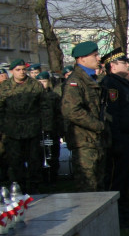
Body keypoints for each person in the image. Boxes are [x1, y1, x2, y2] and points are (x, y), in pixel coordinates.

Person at [100, 50, 129, 224]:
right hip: (120, 139)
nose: (127, 64)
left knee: (126, 176)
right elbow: (112, 115)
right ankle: (117, 216)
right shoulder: (111, 84)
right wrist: (116, 140)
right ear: (113, 66)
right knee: (116, 179)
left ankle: (126, 211)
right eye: (123, 62)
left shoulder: (122, 83)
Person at [61, 41, 110, 191]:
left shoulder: (90, 79)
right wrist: (98, 125)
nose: (99, 58)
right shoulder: (75, 81)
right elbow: (71, 110)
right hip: (84, 141)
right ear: (82, 59)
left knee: (100, 183)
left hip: (95, 140)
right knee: (88, 186)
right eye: (95, 55)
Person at [0, 58, 53, 190]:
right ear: (12, 71)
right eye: (18, 70)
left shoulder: (35, 85)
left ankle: (35, 186)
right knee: (15, 161)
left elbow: (45, 106)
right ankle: (18, 187)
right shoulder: (4, 87)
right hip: (12, 130)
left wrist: (46, 126)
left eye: (24, 69)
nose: (22, 72)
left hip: (32, 128)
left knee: (34, 160)